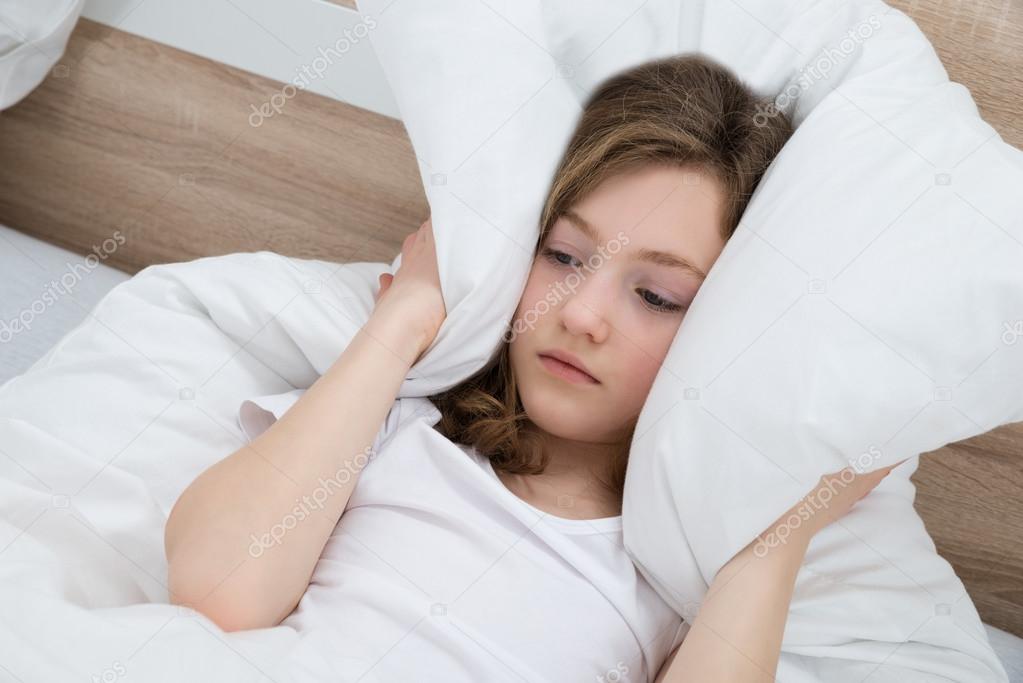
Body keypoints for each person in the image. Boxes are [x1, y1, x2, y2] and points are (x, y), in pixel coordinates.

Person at [164, 54, 900, 682]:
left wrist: (782, 530)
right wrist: (405, 317)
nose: (581, 314)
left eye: (655, 295)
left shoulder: (673, 571)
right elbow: (216, 589)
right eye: (563, 257)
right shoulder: (396, 425)